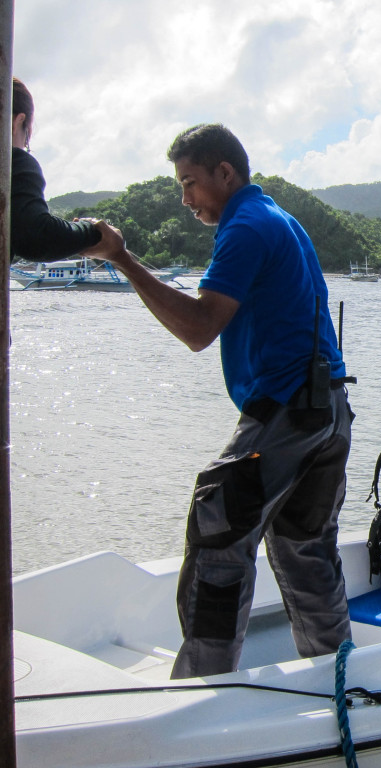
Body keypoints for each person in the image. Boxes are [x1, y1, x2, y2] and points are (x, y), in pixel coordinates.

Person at [83, 124, 354, 679]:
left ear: (224, 173)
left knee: (218, 540)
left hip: (285, 410)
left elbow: (199, 329)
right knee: (304, 547)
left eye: (190, 183)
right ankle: (337, 676)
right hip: (328, 409)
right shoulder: (279, 218)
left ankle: (202, 690)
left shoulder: (246, 227)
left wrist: (123, 260)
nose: (185, 199)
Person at [10, 77, 101, 261]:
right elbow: (37, 237)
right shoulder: (12, 161)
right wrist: (92, 231)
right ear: (18, 122)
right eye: (27, 136)